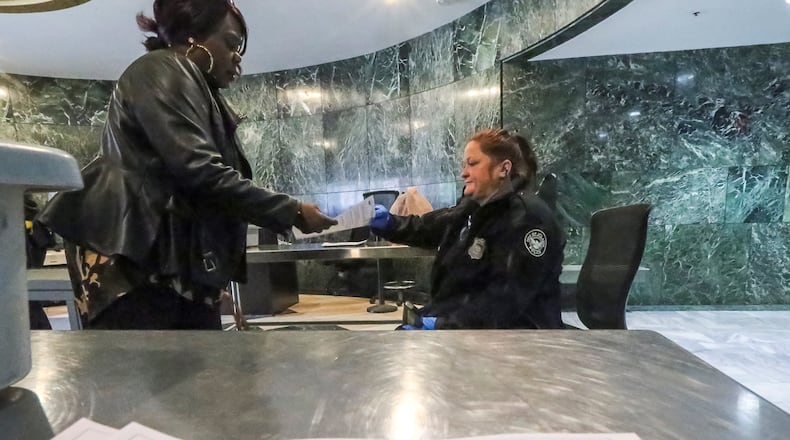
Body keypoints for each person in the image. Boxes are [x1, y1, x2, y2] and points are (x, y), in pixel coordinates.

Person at [38, 0, 336, 330]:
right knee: (156, 377)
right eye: (231, 43)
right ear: (193, 37)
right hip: (135, 266)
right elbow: (199, 170)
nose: (238, 56)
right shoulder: (163, 68)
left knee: (185, 377)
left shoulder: (189, 84)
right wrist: (291, 210)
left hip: (155, 266)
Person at [370, 128, 564, 329]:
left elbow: (505, 299)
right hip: (462, 321)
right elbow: (430, 227)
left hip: (515, 337)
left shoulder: (527, 218)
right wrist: (390, 223)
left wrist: (443, 325)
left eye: (473, 164)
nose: (464, 173)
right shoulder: (473, 207)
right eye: (464, 165)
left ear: (503, 169)